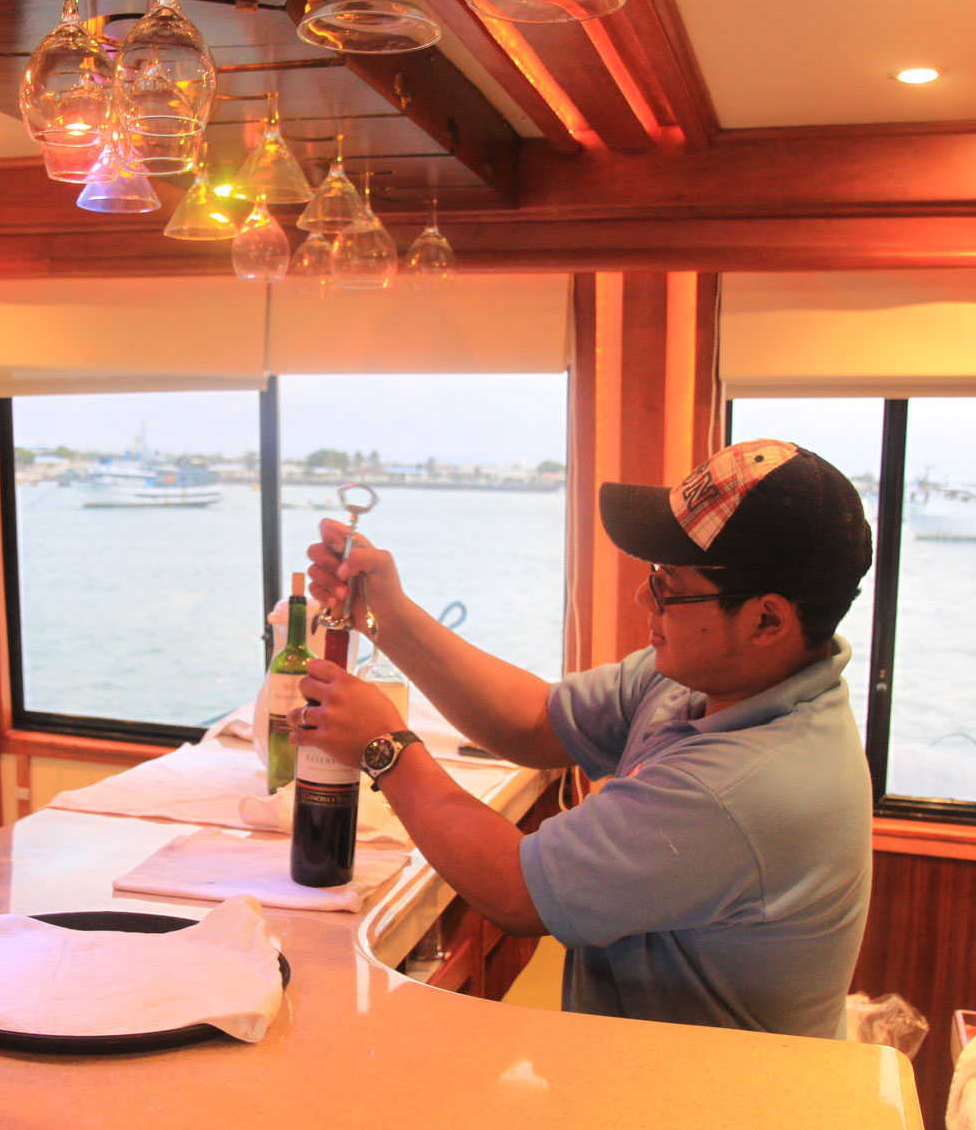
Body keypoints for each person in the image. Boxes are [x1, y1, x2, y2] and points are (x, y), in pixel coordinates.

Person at [297, 439, 875, 1038]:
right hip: (641, 1070)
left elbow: (514, 890)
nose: (641, 597)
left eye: (669, 586)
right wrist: (385, 611)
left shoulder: (745, 788)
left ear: (767, 620)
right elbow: (531, 719)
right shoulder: (706, 679)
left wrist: (384, 748)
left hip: (706, 1109)